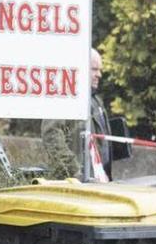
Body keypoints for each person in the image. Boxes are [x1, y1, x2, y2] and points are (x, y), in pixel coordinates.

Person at [42, 47, 113, 180]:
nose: (99, 75)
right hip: (74, 185)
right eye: (94, 69)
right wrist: (73, 170)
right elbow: (51, 134)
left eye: (100, 70)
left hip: (98, 181)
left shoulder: (96, 101)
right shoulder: (64, 98)